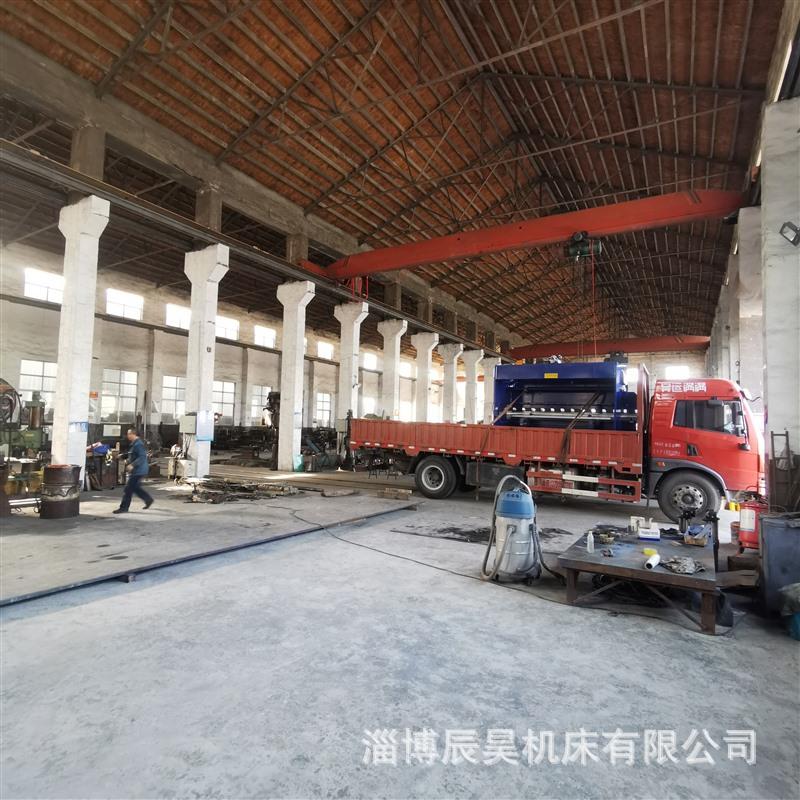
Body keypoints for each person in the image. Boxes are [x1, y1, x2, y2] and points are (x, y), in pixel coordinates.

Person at [113, 429, 154, 514]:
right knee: (135, 488)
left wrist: (132, 465)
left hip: (139, 470)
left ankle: (124, 508)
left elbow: (142, 457)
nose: (127, 436)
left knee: (128, 489)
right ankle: (148, 499)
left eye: (129, 434)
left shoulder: (138, 444)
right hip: (138, 470)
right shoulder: (134, 444)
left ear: (133, 434)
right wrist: (122, 456)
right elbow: (132, 454)